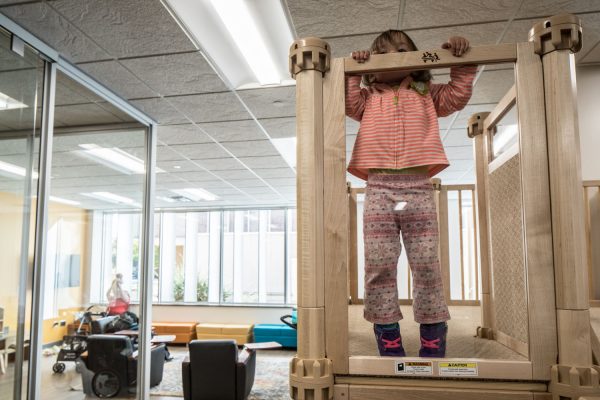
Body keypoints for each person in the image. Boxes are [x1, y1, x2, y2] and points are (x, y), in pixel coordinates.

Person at [346, 30, 476, 358]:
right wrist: (355, 70)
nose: (395, 56)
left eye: (402, 50)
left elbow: (457, 96)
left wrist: (459, 61)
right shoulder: (368, 96)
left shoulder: (425, 93)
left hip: (418, 188)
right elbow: (348, 102)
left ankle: (433, 332)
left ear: (416, 58)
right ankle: (387, 333)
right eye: (383, 53)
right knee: (379, 263)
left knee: (426, 262)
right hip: (378, 189)